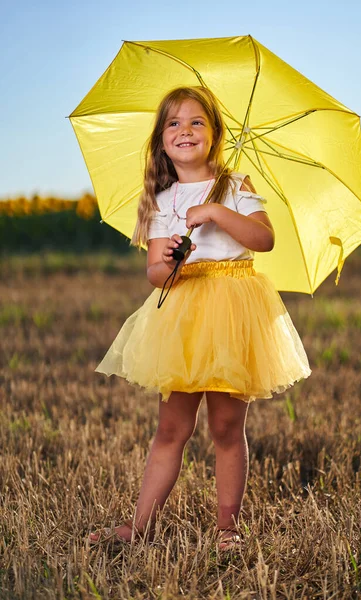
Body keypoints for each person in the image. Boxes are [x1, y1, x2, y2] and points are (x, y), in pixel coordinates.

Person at [89, 86, 311, 551]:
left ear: (214, 134)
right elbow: (154, 274)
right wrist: (169, 260)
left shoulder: (236, 185)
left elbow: (263, 239)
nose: (184, 130)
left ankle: (228, 529)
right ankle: (139, 525)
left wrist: (215, 210)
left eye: (196, 122)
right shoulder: (160, 200)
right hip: (185, 315)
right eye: (173, 123)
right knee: (172, 429)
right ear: (161, 140)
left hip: (233, 311)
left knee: (227, 428)